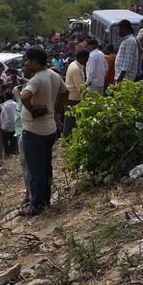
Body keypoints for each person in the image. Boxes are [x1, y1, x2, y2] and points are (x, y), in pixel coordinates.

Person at [19, 47, 69, 216]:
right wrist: (56, 112)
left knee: (35, 170)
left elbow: (24, 96)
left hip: (34, 131)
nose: (25, 63)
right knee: (45, 167)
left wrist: (32, 109)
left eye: (27, 60)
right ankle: (45, 200)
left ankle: (36, 206)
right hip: (49, 129)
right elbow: (65, 93)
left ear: (34, 62)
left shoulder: (37, 79)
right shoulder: (53, 75)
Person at [63, 49, 89, 137]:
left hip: (73, 97)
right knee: (70, 122)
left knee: (72, 121)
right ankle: (65, 140)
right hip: (73, 99)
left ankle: (68, 139)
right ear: (82, 58)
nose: (87, 61)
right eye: (87, 58)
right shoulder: (76, 69)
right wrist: (87, 100)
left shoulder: (76, 65)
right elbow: (80, 88)